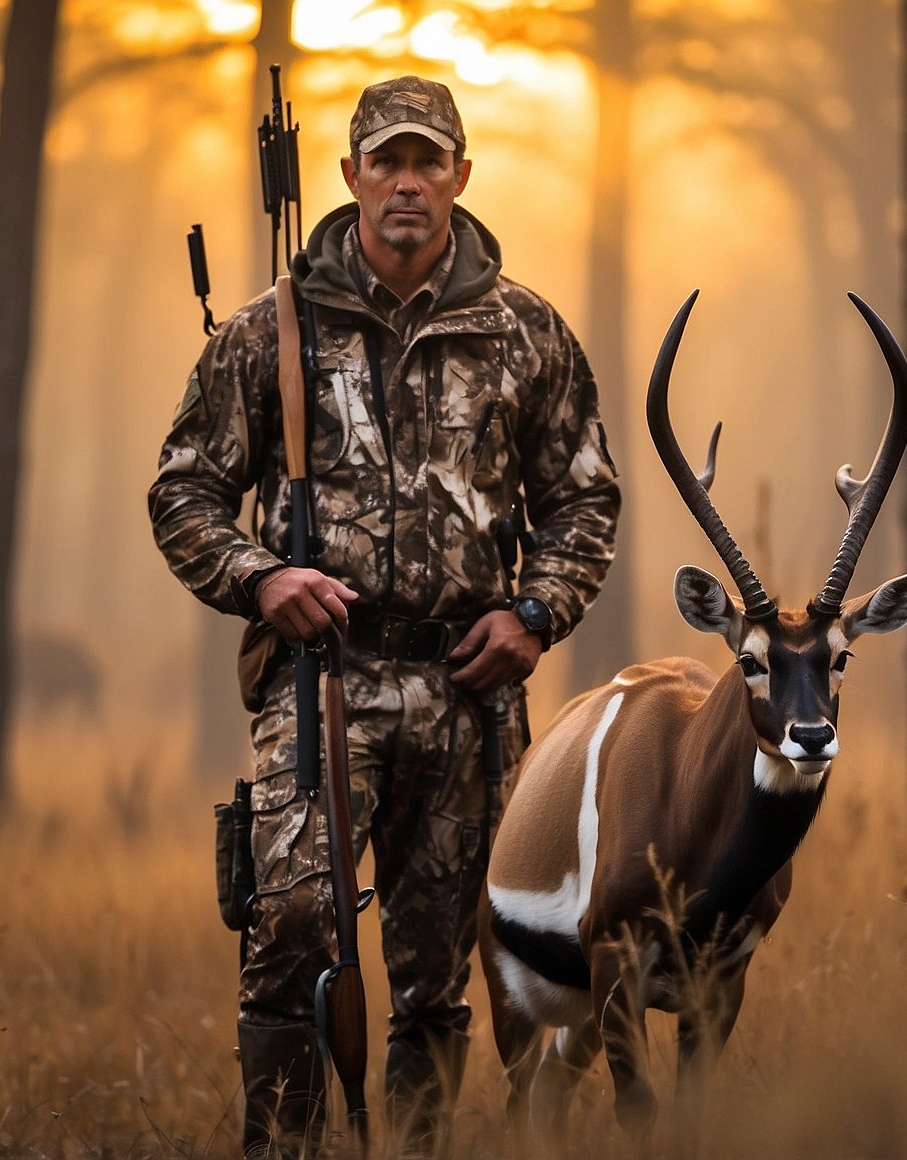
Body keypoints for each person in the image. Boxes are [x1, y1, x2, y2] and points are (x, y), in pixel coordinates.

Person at [149, 75, 620, 1157]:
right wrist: (262, 578)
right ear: (352, 174)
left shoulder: (523, 331)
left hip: (468, 690)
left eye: (428, 161)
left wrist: (535, 614)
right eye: (386, 161)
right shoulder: (271, 331)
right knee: (291, 933)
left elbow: (583, 498)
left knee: (437, 972)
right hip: (320, 681)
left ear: (460, 175)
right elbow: (183, 491)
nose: (406, 182)